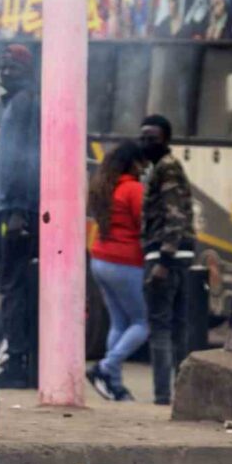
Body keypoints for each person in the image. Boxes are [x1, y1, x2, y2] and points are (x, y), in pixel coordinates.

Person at [139, 114, 196, 406]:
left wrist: (163, 260)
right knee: (178, 327)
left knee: (161, 328)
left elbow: (175, 215)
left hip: (166, 256)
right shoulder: (163, 167)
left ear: (166, 140)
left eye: (153, 138)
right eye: (143, 138)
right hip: (180, 256)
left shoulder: (166, 168)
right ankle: (182, 395)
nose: (147, 143)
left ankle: (163, 395)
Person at [86, 141, 148, 402]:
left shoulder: (104, 187)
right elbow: (143, 224)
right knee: (142, 323)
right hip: (126, 262)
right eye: (141, 163)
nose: (144, 168)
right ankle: (106, 367)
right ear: (132, 163)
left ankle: (115, 385)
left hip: (99, 259)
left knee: (120, 322)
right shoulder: (133, 189)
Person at [0, 45, 40, 388]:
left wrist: (17, 211)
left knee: (13, 288)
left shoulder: (23, 104)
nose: (4, 72)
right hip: (14, 208)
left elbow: (21, 162)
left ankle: (15, 362)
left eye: (12, 67)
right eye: (2, 67)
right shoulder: (16, 103)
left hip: (18, 211)